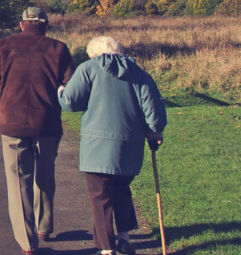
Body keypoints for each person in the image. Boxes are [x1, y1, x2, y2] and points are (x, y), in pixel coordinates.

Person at [58, 36, 167, 255]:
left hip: (97, 146)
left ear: (94, 54)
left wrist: (61, 91)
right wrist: (155, 132)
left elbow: (71, 102)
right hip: (129, 146)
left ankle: (106, 248)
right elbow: (153, 112)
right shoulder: (139, 73)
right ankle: (124, 239)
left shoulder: (88, 68)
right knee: (122, 190)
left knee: (100, 196)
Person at [0, 7, 76, 255]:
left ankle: (27, 242)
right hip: (48, 123)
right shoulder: (59, 48)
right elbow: (70, 85)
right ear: (45, 25)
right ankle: (44, 226)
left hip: (12, 123)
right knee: (45, 174)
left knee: (18, 182)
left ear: (22, 24)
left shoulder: (5, 45)